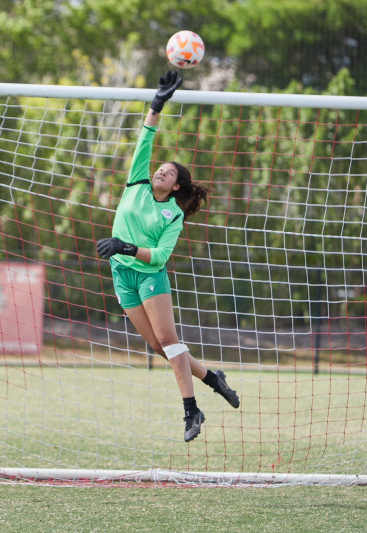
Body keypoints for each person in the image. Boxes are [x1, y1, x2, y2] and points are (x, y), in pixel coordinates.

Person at [96, 71, 240, 443]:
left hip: (148, 276)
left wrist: (124, 246)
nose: (161, 169)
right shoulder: (136, 184)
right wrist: (157, 105)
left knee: (170, 340)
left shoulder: (172, 215)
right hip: (121, 276)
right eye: (162, 166)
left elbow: (159, 257)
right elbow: (146, 138)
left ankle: (191, 411)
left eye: (170, 172)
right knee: (159, 348)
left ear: (176, 186)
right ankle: (213, 378)